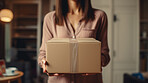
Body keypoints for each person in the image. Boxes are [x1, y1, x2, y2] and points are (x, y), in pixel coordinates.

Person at [38, 0, 110, 83]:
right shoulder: (50, 18)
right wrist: (45, 63)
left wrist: (96, 63)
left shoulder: (100, 16)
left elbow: (105, 54)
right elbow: (43, 54)